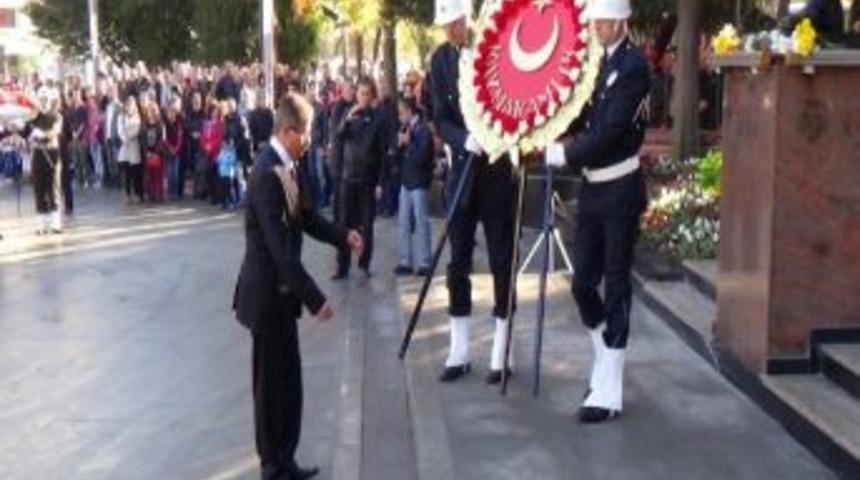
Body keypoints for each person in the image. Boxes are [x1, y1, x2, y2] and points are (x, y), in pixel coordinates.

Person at [233, 93, 364, 480]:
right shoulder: (266, 174)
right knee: (271, 387)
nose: (310, 140)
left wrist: (345, 237)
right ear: (288, 131)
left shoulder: (287, 167)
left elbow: (305, 218)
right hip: (266, 297)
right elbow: (278, 250)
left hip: (282, 297)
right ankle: (272, 465)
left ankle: (285, 459)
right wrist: (315, 298)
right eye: (305, 133)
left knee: (288, 384)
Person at [544, 0, 651, 424]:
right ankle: (604, 360)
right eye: (595, 22)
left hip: (621, 190)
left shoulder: (633, 67)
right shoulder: (598, 64)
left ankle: (609, 389)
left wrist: (564, 153)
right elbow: (581, 116)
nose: (597, 28)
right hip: (593, 191)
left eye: (603, 22)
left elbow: (608, 132)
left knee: (616, 285)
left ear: (621, 22)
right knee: (582, 284)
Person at [431, 0, 518, 385]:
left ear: (469, 17)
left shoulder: (494, 51)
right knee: (457, 263)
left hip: (497, 172)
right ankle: (460, 349)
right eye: (446, 24)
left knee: (501, 260)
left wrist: (494, 135)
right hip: (463, 171)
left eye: (457, 22)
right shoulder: (440, 61)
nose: (452, 30)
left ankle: (503, 348)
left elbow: (514, 100)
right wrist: (463, 138)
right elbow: (440, 116)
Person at [332, 78, 385, 280]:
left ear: (372, 96)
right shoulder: (349, 114)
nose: (363, 97)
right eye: (360, 93)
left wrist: (380, 182)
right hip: (348, 178)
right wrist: (346, 120)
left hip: (367, 180)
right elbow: (338, 137)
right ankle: (342, 266)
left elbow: (382, 153)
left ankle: (364, 264)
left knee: (367, 225)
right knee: (345, 224)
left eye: (367, 94)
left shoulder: (378, 119)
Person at [393, 97, 434, 277]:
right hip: (406, 181)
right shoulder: (405, 128)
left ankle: (425, 261)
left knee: (421, 221)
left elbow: (424, 156)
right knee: (403, 221)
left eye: (402, 113)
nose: (400, 117)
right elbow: (398, 154)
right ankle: (405, 260)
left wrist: (410, 142)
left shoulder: (422, 129)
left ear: (410, 111)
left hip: (419, 181)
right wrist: (399, 145)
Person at [28, 91, 64, 234]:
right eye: (41, 100)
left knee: (53, 189)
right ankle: (41, 224)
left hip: (51, 155)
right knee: (39, 189)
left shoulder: (56, 116)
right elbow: (25, 132)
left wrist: (41, 135)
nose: (43, 102)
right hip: (37, 156)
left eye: (46, 99)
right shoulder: (33, 118)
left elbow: (55, 131)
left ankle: (55, 223)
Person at [118, 96, 144, 203]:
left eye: (132, 105)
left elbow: (136, 130)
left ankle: (137, 193)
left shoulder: (137, 117)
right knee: (126, 172)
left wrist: (129, 136)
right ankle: (127, 194)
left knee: (136, 171)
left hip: (134, 145)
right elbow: (120, 130)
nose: (129, 107)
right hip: (125, 146)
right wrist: (124, 138)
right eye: (128, 104)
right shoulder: (121, 117)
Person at [141, 103, 166, 202]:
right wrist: (147, 152)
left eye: (153, 110)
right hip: (148, 153)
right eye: (149, 110)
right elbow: (142, 139)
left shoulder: (160, 124)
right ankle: (151, 194)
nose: (150, 112)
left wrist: (156, 152)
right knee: (150, 174)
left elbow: (162, 139)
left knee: (158, 174)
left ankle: (159, 194)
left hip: (158, 153)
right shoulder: (144, 124)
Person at [165, 100, 186, 199]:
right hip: (169, 151)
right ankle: (170, 192)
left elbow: (180, 137)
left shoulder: (180, 122)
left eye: (174, 111)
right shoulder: (165, 123)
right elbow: (164, 138)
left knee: (176, 172)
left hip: (178, 151)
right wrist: (170, 148)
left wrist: (176, 149)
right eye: (170, 111)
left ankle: (176, 192)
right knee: (169, 173)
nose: (172, 113)